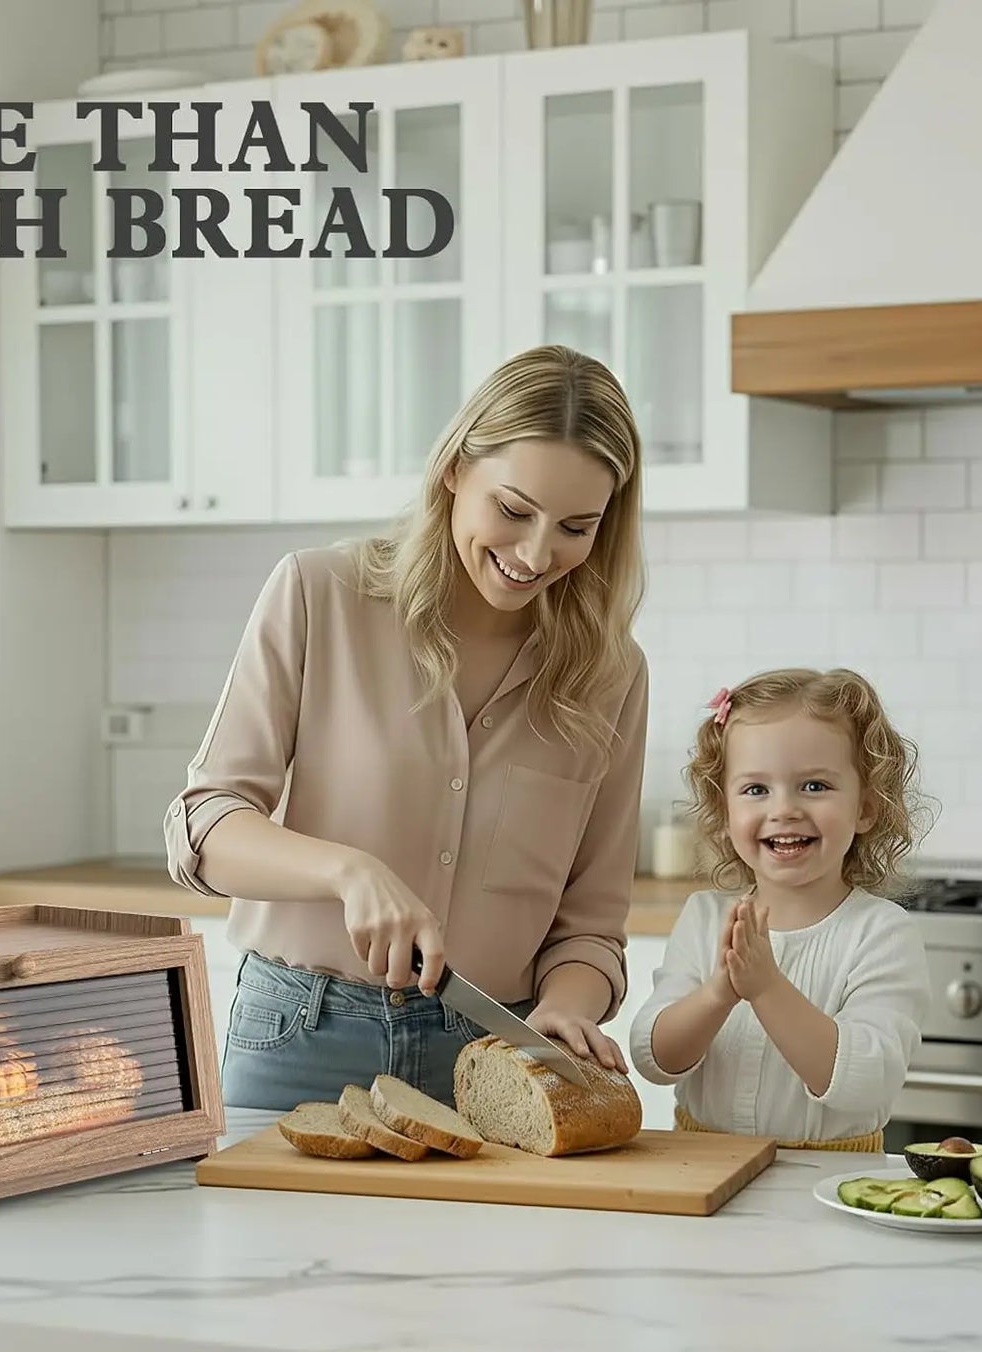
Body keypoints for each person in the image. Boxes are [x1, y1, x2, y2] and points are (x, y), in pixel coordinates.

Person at [163, 345, 650, 1112]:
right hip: (301, 1035)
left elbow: (590, 924)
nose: (534, 553)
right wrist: (347, 871)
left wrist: (567, 1006)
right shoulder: (318, 595)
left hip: (496, 1059)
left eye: (575, 527)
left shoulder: (610, 673)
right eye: (514, 510)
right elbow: (204, 830)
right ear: (455, 467)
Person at [629, 668, 934, 1151]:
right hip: (702, 1171)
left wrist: (766, 988)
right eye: (756, 790)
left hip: (829, 1182)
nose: (784, 809)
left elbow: (866, 1083)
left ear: (865, 808)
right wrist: (718, 995)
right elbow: (653, 1058)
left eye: (814, 786)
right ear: (724, 812)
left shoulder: (881, 933)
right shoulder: (705, 917)